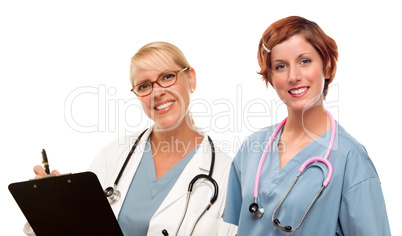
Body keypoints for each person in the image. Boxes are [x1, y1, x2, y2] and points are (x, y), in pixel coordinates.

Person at [26, 41, 236, 236]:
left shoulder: (226, 172)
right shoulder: (114, 155)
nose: (157, 92)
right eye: (144, 86)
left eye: (167, 77)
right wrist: (49, 205)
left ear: (191, 78)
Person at [222, 16, 391, 235]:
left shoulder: (351, 158)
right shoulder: (252, 148)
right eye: (281, 66)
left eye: (305, 61)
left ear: (327, 68)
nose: (294, 76)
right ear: (271, 79)